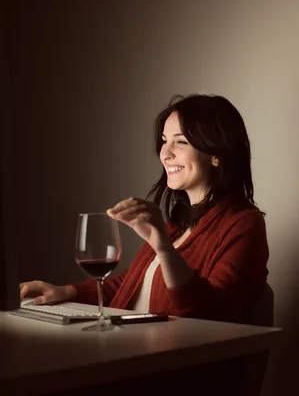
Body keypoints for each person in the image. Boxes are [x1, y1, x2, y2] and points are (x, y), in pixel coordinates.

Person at [19, 93, 269, 324]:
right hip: (129, 347)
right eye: (164, 141)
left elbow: (213, 314)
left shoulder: (244, 224)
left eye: (180, 142)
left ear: (217, 154)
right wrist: (65, 292)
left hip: (171, 364)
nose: (165, 154)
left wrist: (163, 248)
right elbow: (131, 286)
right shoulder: (176, 226)